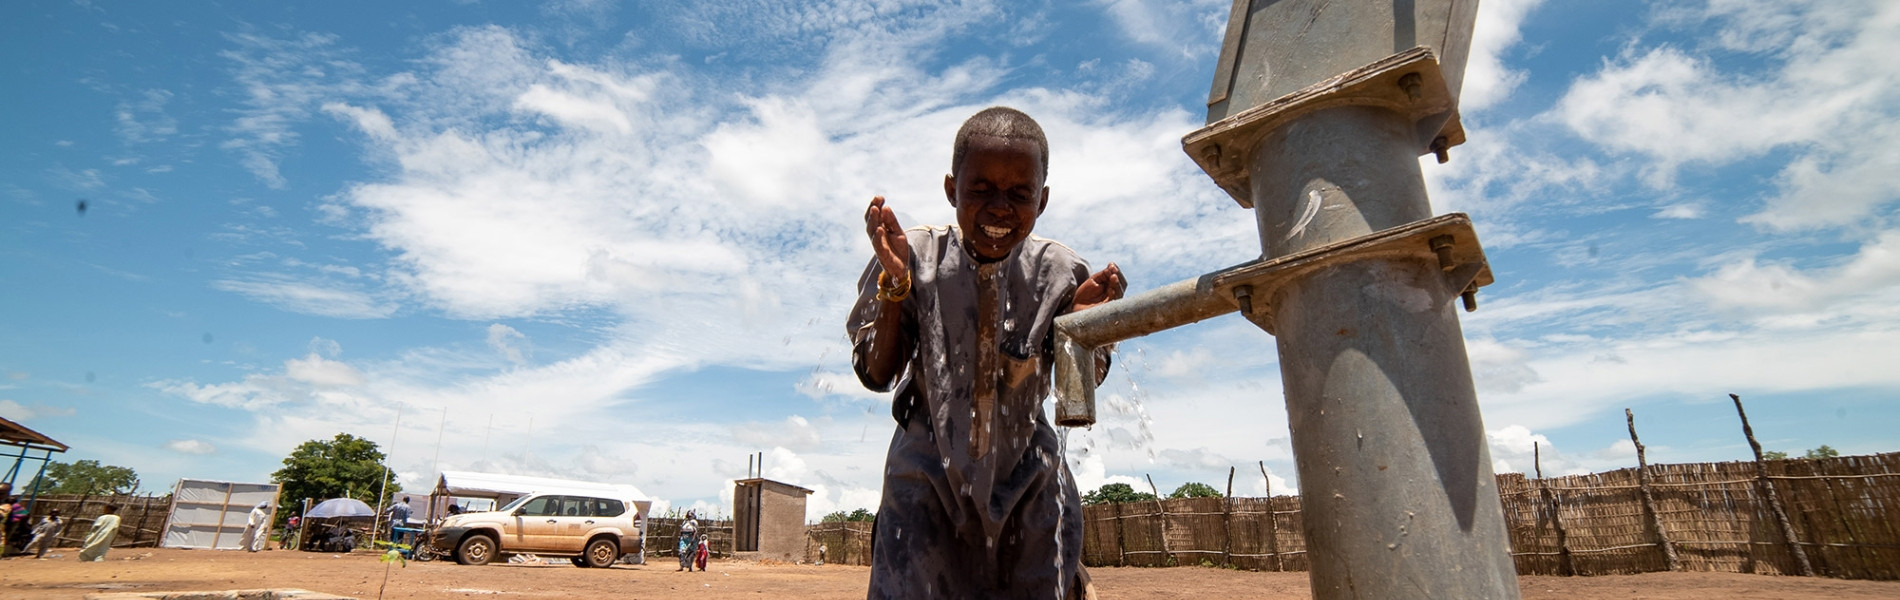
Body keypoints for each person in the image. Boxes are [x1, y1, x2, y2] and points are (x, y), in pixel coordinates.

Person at [849, 106, 1124, 600]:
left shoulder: (1062, 273)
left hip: (1030, 486)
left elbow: (1075, 399)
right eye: (980, 190)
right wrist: (896, 287)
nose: (1000, 208)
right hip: (924, 482)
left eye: (1019, 194)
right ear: (952, 188)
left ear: (1041, 199)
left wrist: (1078, 329)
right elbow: (875, 372)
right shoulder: (912, 256)